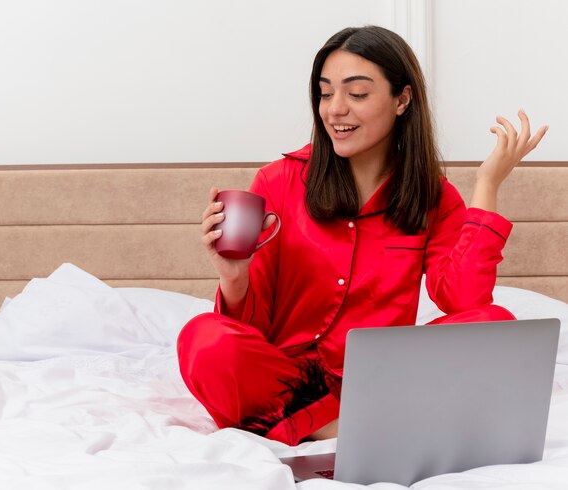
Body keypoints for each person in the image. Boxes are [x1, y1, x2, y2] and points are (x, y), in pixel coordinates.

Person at [177, 25, 548, 446]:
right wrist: (234, 277)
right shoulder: (277, 181)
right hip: (289, 378)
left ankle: (309, 425)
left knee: (494, 325)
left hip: (383, 377)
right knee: (203, 339)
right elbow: (247, 333)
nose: (335, 110)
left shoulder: (431, 196)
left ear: (402, 99)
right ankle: (353, 423)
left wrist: (487, 186)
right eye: (325, 92)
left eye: (356, 95)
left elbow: (464, 301)